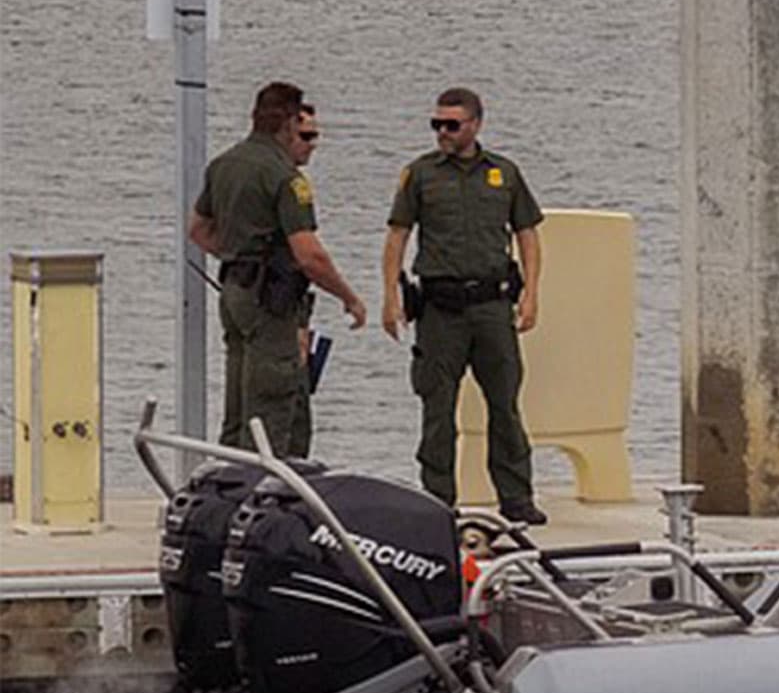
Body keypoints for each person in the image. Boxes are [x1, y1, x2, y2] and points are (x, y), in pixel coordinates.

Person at [381, 88, 547, 524]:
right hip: (440, 310)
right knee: (437, 409)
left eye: (452, 124)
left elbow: (527, 232)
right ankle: (437, 500)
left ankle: (516, 498)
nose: (442, 132)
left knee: (505, 406)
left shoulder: (504, 174)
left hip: (492, 306)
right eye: (436, 124)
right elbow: (398, 234)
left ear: (475, 124)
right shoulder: (420, 175)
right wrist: (389, 295)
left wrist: (532, 293)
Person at [187, 82, 366, 458]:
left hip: (235, 289)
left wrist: (240, 254)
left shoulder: (224, 164)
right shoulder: (284, 176)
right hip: (271, 301)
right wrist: (348, 297)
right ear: (286, 122)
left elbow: (199, 231)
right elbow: (309, 255)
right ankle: (265, 496)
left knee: (238, 399)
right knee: (271, 403)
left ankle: (227, 486)